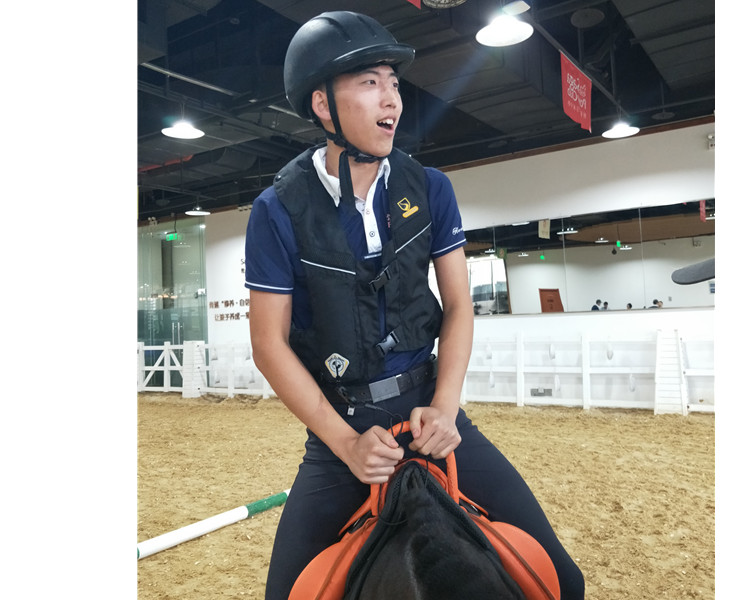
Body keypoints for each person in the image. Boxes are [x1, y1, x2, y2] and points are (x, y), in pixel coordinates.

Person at [244, 11, 584, 600]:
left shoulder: (430, 187)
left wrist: (446, 407)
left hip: (430, 409)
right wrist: (345, 443)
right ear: (323, 105)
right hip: (342, 427)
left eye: (394, 84)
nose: (392, 100)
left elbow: (458, 305)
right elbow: (268, 344)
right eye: (370, 83)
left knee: (565, 580)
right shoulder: (275, 211)